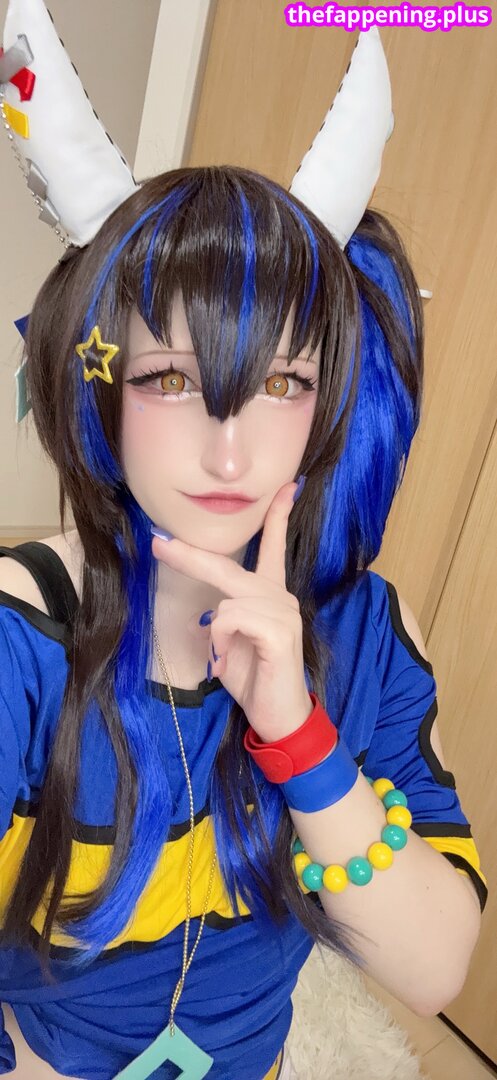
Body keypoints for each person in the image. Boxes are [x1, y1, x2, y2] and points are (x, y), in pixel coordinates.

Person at [0, 7, 488, 1080]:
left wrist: (296, 733)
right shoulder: (20, 642)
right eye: (170, 378)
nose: (230, 453)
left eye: (281, 382)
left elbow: (433, 968)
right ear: (98, 388)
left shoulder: (364, 629)